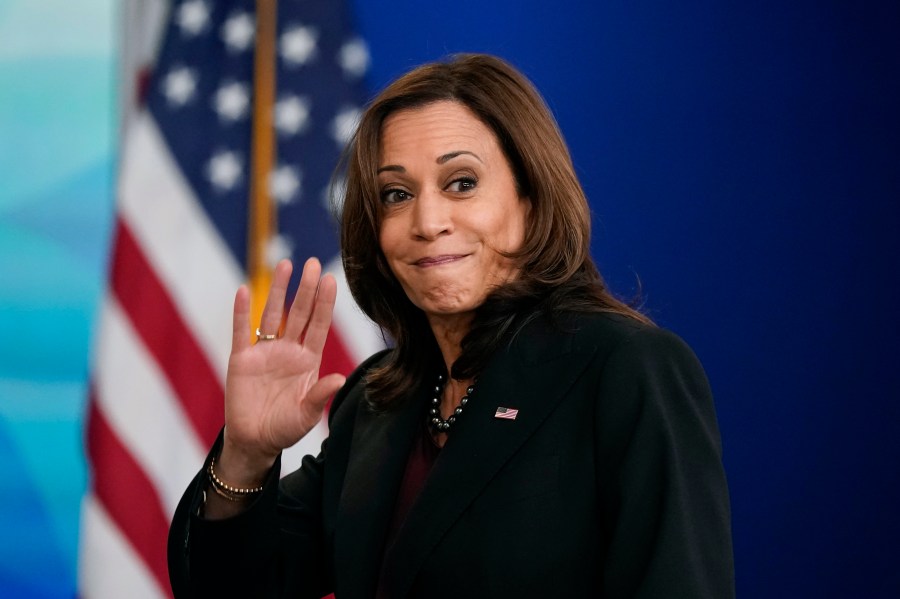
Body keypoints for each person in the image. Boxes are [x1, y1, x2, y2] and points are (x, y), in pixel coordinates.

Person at [168, 53, 734, 598]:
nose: (428, 222)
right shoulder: (375, 399)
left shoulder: (627, 370)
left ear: (530, 200)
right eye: (396, 194)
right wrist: (247, 453)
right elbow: (236, 588)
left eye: (461, 182)